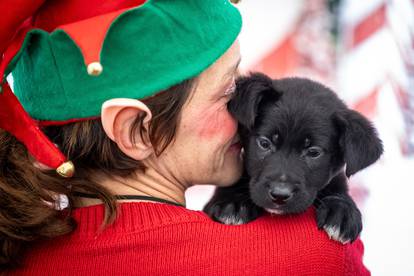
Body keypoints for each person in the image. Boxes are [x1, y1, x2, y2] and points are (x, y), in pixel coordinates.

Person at [0, 0, 370, 275]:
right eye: (228, 91)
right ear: (135, 129)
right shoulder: (308, 256)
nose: (249, 115)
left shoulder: (20, 259)